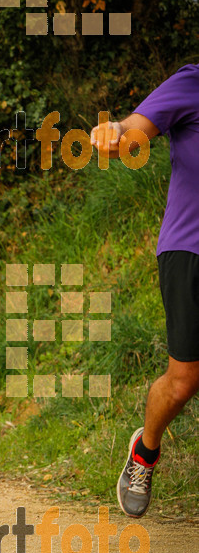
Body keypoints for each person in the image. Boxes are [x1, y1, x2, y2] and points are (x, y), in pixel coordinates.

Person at [90, 63, 199, 518]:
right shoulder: (192, 83)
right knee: (183, 383)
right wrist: (114, 132)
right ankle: (145, 451)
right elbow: (133, 131)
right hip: (190, 246)